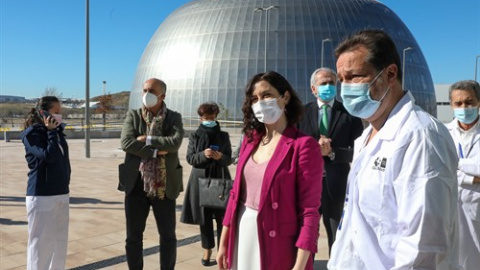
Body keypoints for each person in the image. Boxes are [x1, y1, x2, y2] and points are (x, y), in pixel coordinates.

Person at [327, 29, 460, 269]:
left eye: (355, 76)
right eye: (341, 79)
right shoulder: (367, 135)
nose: (345, 88)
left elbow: (423, 247)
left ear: (390, 74)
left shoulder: (420, 137)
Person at [216, 71, 324, 270]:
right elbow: (235, 196)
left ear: (285, 97)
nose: (260, 102)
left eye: (266, 95)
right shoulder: (250, 140)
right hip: (242, 232)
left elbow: (309, 212)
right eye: (254, 98)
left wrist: (299, 266)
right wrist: (223, 242)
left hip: (276, 241)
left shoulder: (304, 146)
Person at [119, 78, 184, 270]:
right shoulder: (133, 115)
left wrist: (146, 139)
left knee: (168, 236)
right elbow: (127, 143)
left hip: (163, 185)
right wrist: (155, 151)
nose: (147, 94)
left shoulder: (174, 117)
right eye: (145, 90)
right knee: (133, 237)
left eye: (152, 91)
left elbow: (175, 143)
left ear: (162, 95)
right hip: (136, 184)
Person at [298, 67, 363, 254]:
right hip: (307, 183)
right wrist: (313, 150)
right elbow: (293, 147)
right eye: (323, 83)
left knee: (336, 233)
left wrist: (332, 152)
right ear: (313, 89)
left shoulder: (349, 114)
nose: (328, 86)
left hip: (336, 183)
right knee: (306, 232)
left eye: (331, 83)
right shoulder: (301, 114)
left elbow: (359, 151)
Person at [21, 96, 71, 270]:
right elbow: (48, 156)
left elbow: (63, 161)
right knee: (41, 246)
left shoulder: (58, 133)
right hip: (42, 196)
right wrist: (50, 131)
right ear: (43, 112)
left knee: (59, 245)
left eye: (60, 112)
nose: (59, 115)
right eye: (55, 112)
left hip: (61, 193)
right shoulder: (32, 134)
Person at [180, 102, 233, 266]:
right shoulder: (195, 135)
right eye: (205, 118)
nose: (208, 120)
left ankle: (222, 250)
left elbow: (229, 158)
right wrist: (204, 154)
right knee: (204, 218)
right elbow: (190, 158)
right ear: (200, 118)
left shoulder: (223, 136)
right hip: (200, 179)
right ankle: (207, 249)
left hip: (219, 178)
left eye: (211, 117)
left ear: (216, 117)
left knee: (222, 217)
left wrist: (220, 157)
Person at [445, 80, 480, 270]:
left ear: (479, 103)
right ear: (451, 105)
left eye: (469, 102)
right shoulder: (443, 133)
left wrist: (456, 165)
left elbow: (450, 166)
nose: (464, 108)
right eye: (458, 103)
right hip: (449, 209)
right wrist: (473, 176)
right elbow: (441, 169)